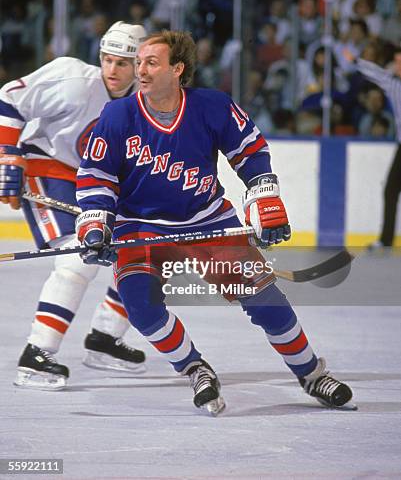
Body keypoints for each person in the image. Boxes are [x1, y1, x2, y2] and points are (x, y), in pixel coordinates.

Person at [75, 30, 353, 415]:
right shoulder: (118, 115)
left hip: (207, 220)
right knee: (140, 306)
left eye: (151, 63)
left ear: (178, 69)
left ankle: (311, 374)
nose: (140, 70)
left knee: (267, 302)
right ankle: (194, 368)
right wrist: (95, 223)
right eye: (139, 62)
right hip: (139, 226)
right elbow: (96, 175)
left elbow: (251, 152)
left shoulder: (213, 106)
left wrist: (264, 196)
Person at [0, 22, 147, 390]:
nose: (112, 70)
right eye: (107, 60)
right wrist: (6, 155)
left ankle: (105, 338)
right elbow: (9, 96)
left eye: (123, 63)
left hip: (91, 184)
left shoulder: (145, 105)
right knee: (76, 259)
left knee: (147, 249)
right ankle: (37, 355)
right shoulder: (74, 81)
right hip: (46, 167)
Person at [346, 47, 401, 248]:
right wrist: (356, 61)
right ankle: (386, 239)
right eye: (396, 61)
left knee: (391, 190)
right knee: (390, 190)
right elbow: (376, 73)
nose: (397, 65)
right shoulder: (393, 82)